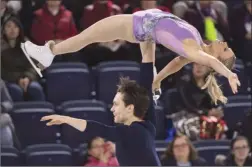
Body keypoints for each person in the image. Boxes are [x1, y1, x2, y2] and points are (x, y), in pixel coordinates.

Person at [21, 9, 240, 104]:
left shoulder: (197, 52)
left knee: (84, 37)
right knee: (86, 38)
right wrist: (158, 80)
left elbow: (208, 61)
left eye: (226, 50)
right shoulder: (197, 47)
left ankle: (48, 52)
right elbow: (176, 63)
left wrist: (229, 74)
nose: (226, 44)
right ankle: (151, 79)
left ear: (218, 60)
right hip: (146, 31)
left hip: (134, 26)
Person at [40, 51, 161, 166]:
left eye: (116, 104)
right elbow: (146, 82)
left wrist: (66, 119)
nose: (112, 109)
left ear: (130, 108)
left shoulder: (131, 131)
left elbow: (98, 129)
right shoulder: (148, 124)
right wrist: (148, 43)